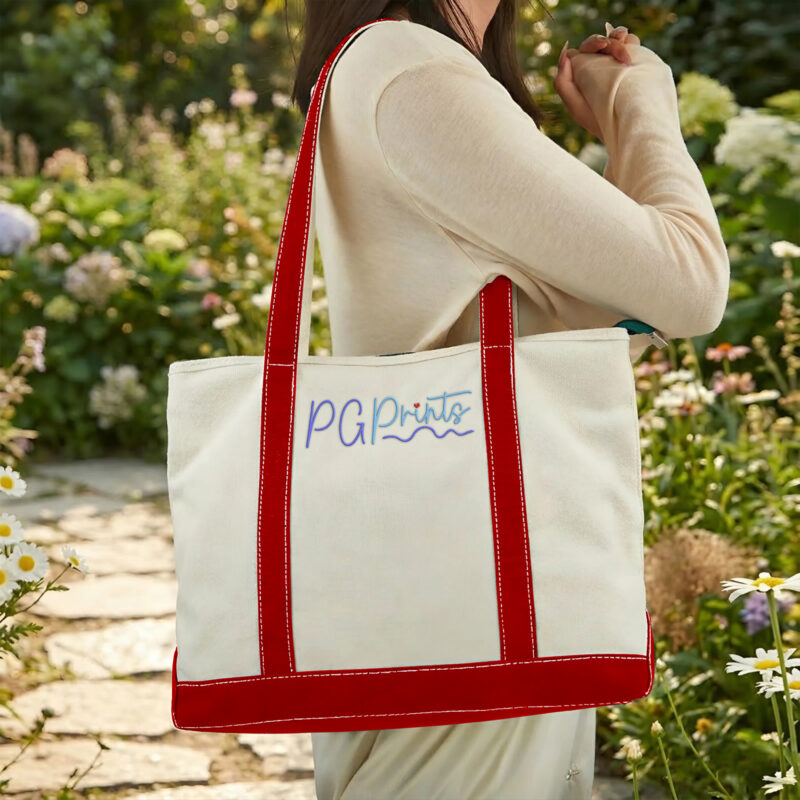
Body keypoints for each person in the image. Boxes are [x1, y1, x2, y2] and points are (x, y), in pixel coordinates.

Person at [299, 1, 730, 798]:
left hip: (444, 566)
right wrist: (641, 105)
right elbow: (691, 283)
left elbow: (616, 303)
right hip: (479, 585)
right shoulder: (417, 74)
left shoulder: (391, 63)